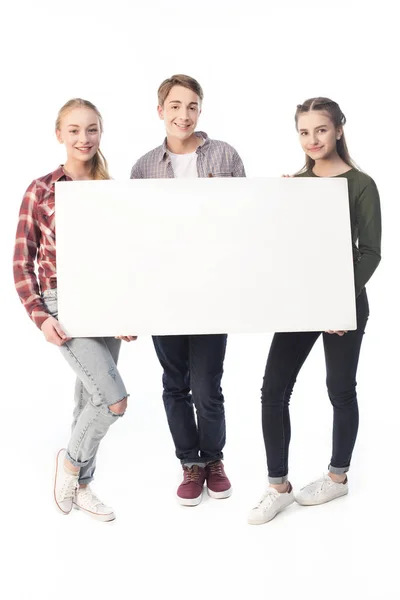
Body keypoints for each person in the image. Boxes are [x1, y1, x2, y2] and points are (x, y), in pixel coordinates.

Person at [248, 97, 382, 525]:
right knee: (274, 390)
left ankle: (337, 478)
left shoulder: (361, 184)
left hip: (343, 304)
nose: (312, 140)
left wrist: (338, 302)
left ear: (338, 129)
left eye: (320, 130)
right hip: (300, 302)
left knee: (340, 389)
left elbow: (371, 252)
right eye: (304, 132)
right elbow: (283, 247)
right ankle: (278, 486)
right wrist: (283, 203)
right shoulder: (297, 183)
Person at [13, 98, 136, 522]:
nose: (84, 138)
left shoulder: (111, 190)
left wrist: (125, 313)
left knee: (90, 399)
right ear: (59, 134)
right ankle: (69, 463)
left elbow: (123, 259)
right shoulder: (41, 189)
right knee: (113, 401)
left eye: (92, 129)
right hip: (61, 301)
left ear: (101, 133)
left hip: (105, 300)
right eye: (74, 130)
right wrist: (40, 315)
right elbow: (20, 260)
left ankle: (83, 486)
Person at [131, 74, 246, 506]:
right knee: (175, 383)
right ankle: (190, 464)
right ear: (160, 110)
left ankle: (214, 459)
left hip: (213, 291)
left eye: (192, 106)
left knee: (207, 384)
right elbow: (136, 239)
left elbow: (245, 219)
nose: (184, 114)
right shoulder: (143, 168)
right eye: (175, 106)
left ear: (200, 110)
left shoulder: (225, 155)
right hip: (164, 295)